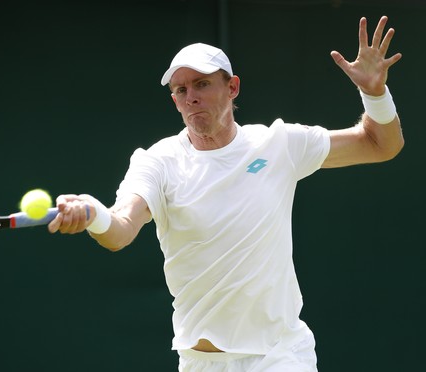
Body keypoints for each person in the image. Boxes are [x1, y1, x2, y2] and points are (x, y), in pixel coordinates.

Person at [47, 16, 404, 371]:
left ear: (232, 88)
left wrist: (375, 93)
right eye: (181, 90)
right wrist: (94, 213)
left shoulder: (279, 143)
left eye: (201, 84)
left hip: (280, 356)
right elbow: (120, 229)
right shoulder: (158, 162)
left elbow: (379, 145)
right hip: (201, 362)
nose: (191, 98)